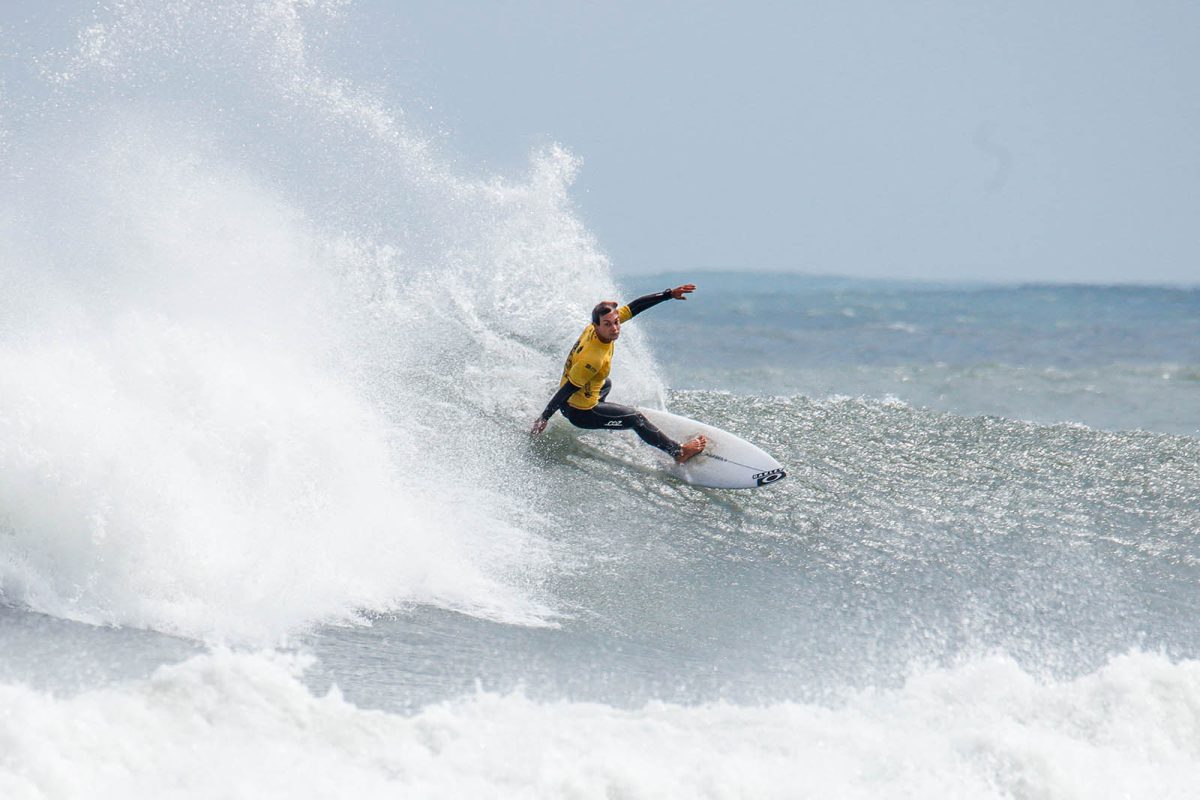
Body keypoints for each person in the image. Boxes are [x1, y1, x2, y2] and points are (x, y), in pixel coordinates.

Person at [530, 284, 707, 463]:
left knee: (606, 383)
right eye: (608, 324)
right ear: (596, 325)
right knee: (635, 418)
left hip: (574, 401)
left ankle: (610, 419)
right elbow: (567, 389)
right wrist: (544, 418)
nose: (614, 328)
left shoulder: (596, 327)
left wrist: (668, 294)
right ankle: (678, 452)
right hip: (580, 412)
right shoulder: (593, 358)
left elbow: (635, 307)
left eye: (616, 322)